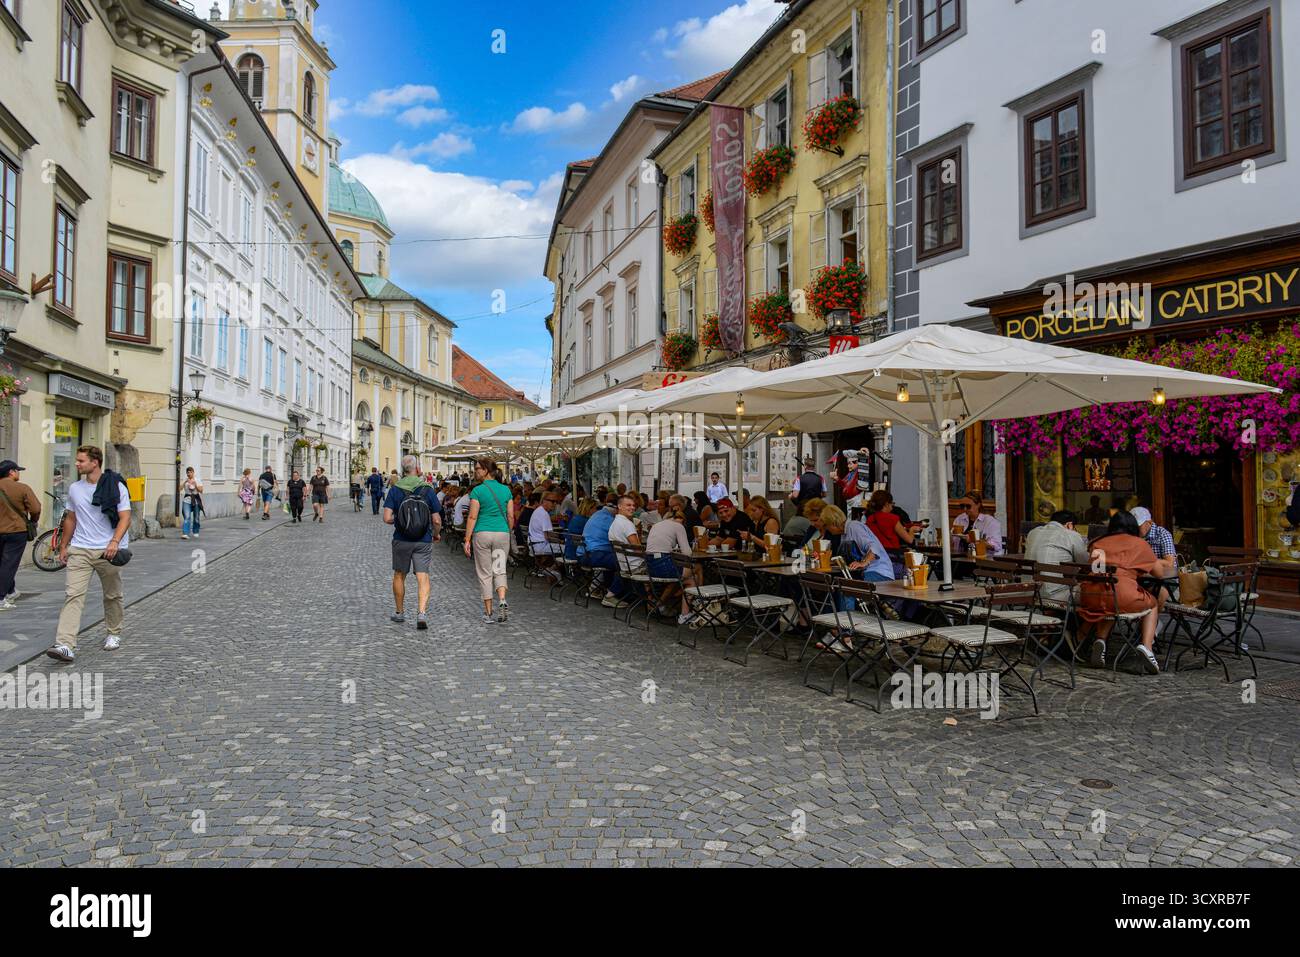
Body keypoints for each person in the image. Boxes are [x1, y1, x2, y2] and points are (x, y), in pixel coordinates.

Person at [46, 446, 131, 662]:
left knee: (112, 595)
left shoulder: (115, 486)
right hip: (80, 549)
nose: (77, 464)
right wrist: (64, 546)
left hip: (108, 550)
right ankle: (65, 644)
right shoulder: (75, 488)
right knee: (73, 595)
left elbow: (125, 517)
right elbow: (71, 518)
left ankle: (113, 633)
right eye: (77, 460)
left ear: (95, 463)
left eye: (81, 461)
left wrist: (114, 542)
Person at [1078, 510, 1175, 674]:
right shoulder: (1139, 544)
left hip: (1091, 595)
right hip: (1121, 594)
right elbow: (1159, 573)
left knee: (1109, 602)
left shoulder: (1098, 542)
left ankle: (1101, 640)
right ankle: (1147, 647)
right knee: (1151, 604)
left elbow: (1097, 569)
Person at [383, 455, 442, 629]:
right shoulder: (428, 489)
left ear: (403, 470)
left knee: (399, 574)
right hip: (423, 539)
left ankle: (400, 612)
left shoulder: (396, 489)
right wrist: (436, 534)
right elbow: (437, 520)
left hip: (401, 539)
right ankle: (421, 613)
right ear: (417, 469)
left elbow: (387, 518)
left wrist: (402, 521)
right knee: (423, 577)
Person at [464, 457, 514, 624]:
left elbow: (472, 516)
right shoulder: (506, 490)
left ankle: (488, 612)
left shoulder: (478, 491)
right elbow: (511, 515)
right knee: (499, 569)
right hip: (502, 534)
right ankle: (502, 600)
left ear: (486, 470)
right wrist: (508, 530)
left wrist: (467, 539)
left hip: (482, 535)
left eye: (478, 468)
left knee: (485, 573)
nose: (475, 471)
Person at [644, 501, 696, 624]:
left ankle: (663, 604)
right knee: (693, 576)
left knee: (683, 576)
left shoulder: (657, 525)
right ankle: (686, 613)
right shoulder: (679, 526)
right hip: (664, 565)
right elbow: (687, 553)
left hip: (650, 565)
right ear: (682, 520)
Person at [1024, 510, 1090, 604]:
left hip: (1029, 591)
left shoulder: (1033, 533)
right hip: (1052, 596)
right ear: (1069, 525)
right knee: (1093, 590)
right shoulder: (1071, 534)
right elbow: (1085, 563)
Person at [0, 460, 39, 609]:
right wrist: (33, 521)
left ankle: (11, 590)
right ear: (11, 472)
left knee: (3, 563)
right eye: (17, 470)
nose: (18, 473)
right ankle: (1, 597)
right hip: (16, 531)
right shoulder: (22, 488)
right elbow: (35, 508)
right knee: (9, 564)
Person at [583, 499, 622, 605]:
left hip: (587, 554)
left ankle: (604, 589)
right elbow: (619, 538)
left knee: (615, 561)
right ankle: (611, 595)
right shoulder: (609, 519)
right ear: (616, 510)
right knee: (625, 563)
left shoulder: (597, 515)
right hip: (596, 554)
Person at [864, 490, 919, 561]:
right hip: (893, 556)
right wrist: (912, 530)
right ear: (886, 504)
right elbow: (909, 540)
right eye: (891, 503)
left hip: (876, 555)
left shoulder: (870, 519)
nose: (892, 506)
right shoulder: (892, 518)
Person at [951, 490, 1003, 556]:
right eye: (962, 506)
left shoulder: (990, 522)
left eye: (968, 506)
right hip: (960, 557)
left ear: (978, 505)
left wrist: (975, 541)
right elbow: (952, 541)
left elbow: (996, 546)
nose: (965, 509)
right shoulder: (960, 519)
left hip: (983, 559)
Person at [1130, 506, 1177, 571]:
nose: (1135, 529)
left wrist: (1144, 561)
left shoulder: (1162, 534)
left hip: (1167, 578)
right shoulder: (1133, 536)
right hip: (1144, 577)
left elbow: (1169, 564)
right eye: (1133, 526)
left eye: (1138, 526)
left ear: (1149, 522)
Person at [180, 467, 203, 540]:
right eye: (188, 472)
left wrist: (195, 484)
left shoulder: (197, 480)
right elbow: (179, 489)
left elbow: (201, 490)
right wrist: (184, 482)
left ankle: (195, 531)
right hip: (187, 499)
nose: (189, 474)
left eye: (190, 472)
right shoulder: (185, 480)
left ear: (193, 472)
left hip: (195, 499)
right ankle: (185, 533)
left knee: (196, 517)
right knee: (187, 517)